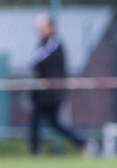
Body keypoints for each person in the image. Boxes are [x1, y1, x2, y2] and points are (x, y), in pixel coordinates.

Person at [28, 12, 89, 155]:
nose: (39, 31)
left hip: (51, 93)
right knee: (40, 122)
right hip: (42, 92)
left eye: (42, 27)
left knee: (51, 123)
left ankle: (83, 143)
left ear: (50, 27)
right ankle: (35, 152)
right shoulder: (43, 43)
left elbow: (36, 60)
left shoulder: (53, 43)